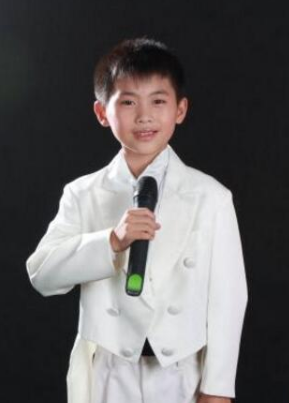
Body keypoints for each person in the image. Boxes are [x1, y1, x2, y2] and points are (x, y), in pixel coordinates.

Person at [27, 38, 248, 403]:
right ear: (102, 112)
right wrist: (110, 242)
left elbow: (229, 298)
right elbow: (42, 275)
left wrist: (218, 388)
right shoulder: (83, 193)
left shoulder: (211, 196)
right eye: (128, 102)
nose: (144, 116)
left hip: (182, 374)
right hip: (110, 372)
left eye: (158, 101)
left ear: (180, 109)